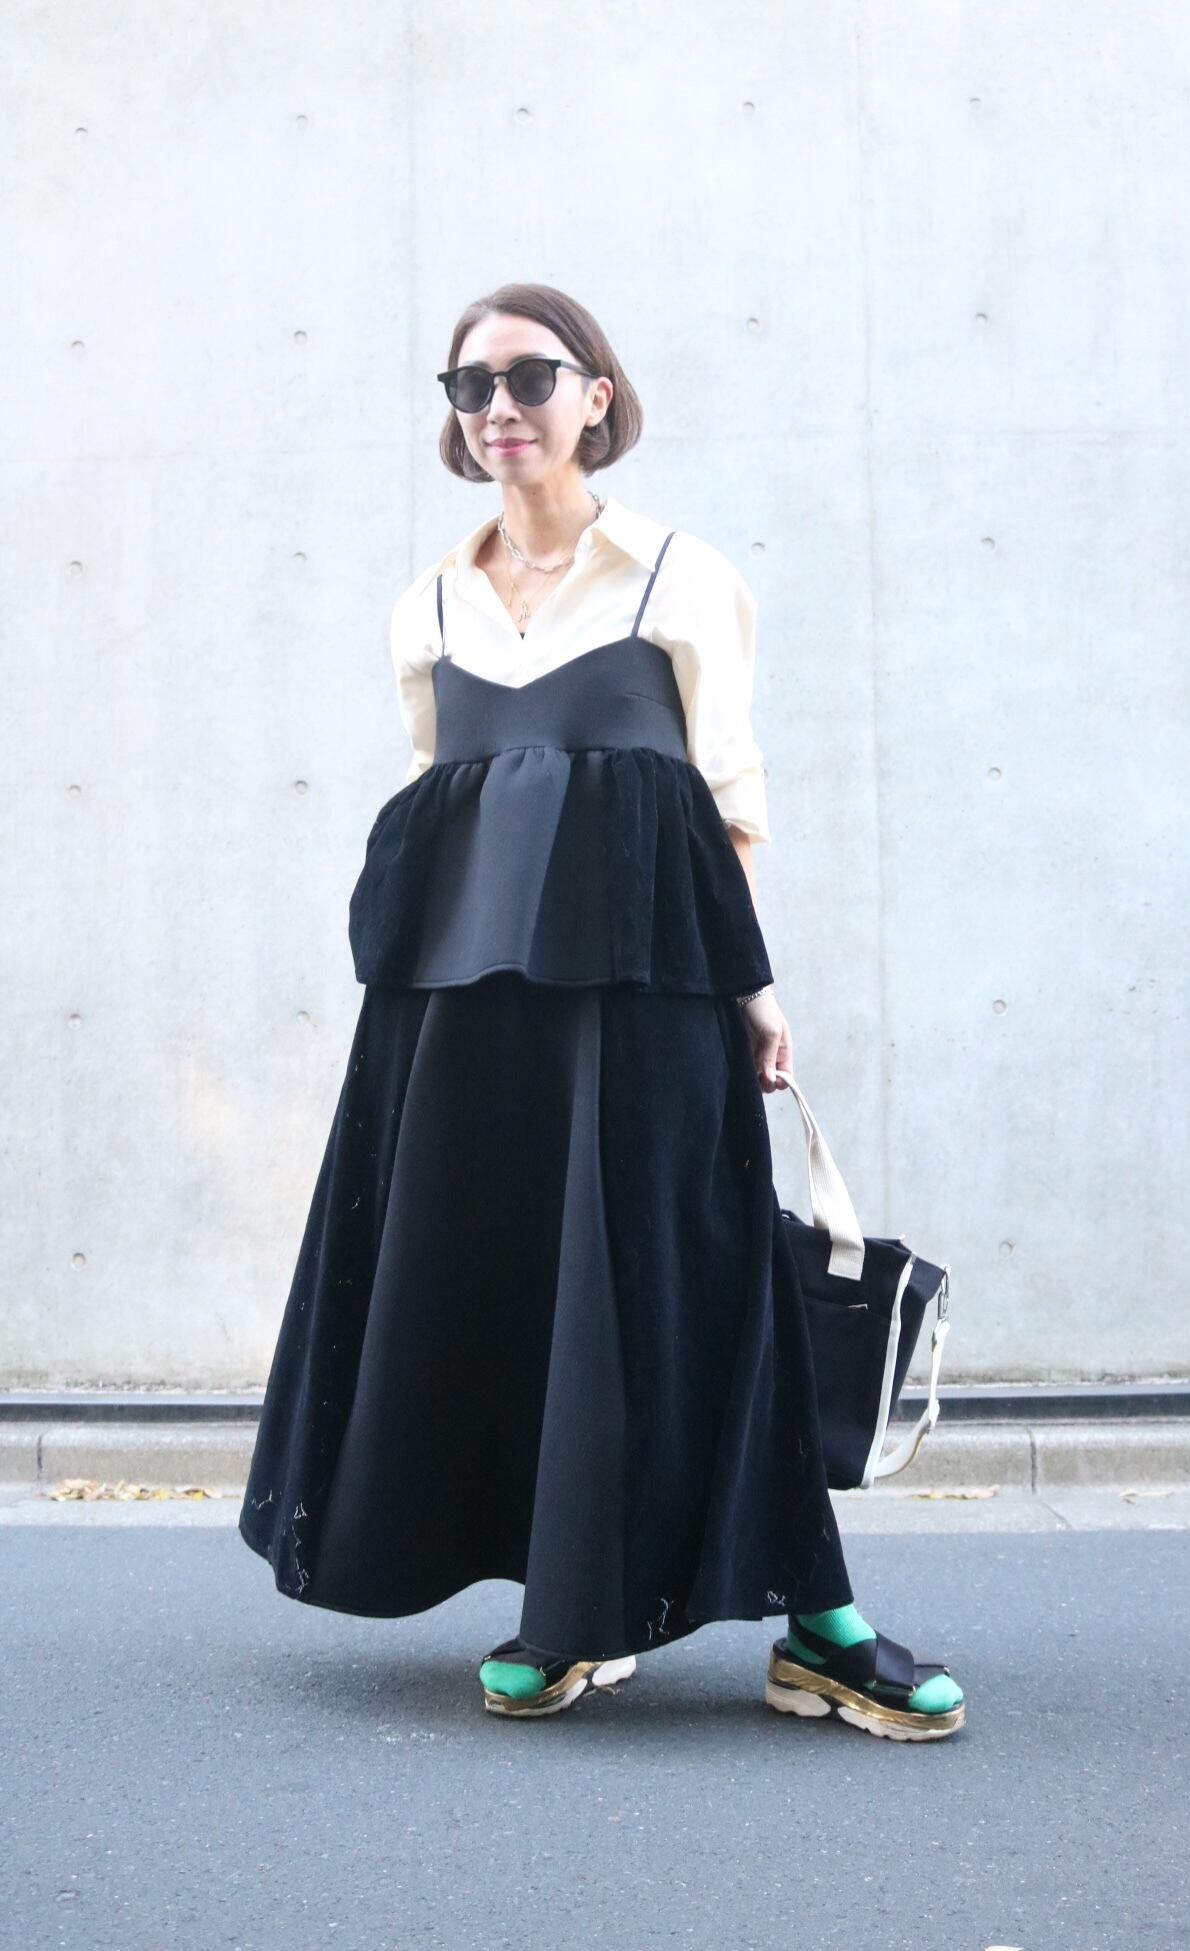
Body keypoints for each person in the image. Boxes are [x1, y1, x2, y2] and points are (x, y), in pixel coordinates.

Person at [238, 281, 965, 1740]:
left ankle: (822, 1628)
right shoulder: (427, 605)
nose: (498, 407)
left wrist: (752, 989)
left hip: (644, 998)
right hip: (461, 1017)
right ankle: (567, 1611)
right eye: (470, 387)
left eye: (529, 377)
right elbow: (449, 806)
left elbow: (724, 810)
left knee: (695, 1279)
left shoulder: (678, 579)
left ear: (595, 396)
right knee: (509, 1286)